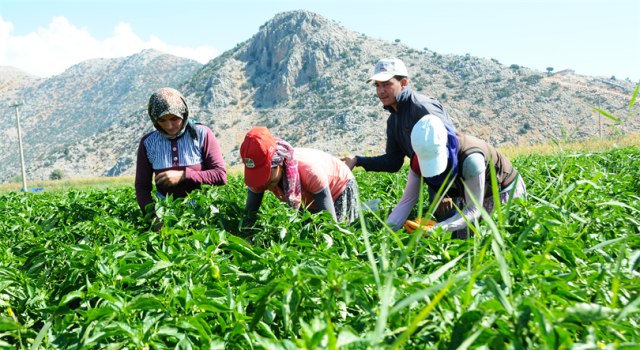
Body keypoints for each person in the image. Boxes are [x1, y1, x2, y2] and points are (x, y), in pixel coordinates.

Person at [386, 115, 526, 239]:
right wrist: (386, 234)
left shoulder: (470, 157)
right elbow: (406, 202)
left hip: (501, 192)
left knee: (496, 241)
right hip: (470, 195)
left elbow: (473, 209)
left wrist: (437, 229)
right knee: (468, 248)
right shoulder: (418, 161)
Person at [342, 57, 455, 173]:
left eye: (386, 84)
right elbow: (393, 162)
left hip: (458, 176)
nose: (380, 91)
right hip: (433, 179)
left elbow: (453, 146)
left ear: (403, 83)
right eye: (377, 85)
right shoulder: (393, 120)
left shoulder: (422, 107)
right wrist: (357, 160)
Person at [135, 88, 227, 228]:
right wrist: (154, 218)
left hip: (203, 212)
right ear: (154, 119)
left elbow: (220, 176)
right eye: (162, 120)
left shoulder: (202, 134)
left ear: (184, 115)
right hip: (166, 213)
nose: (169, 126)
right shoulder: (148, 143)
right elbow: (142, 186)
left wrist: (184, 175)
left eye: (174, 119)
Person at [241, 127, 359, 226]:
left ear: (279, 163)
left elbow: (330, 222)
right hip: (307, 198)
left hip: (338, 187)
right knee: (308, 236)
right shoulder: (259, 180)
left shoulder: (310, 171)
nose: (263, 181)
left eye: (265, 174)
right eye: (257, 175)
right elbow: (249, 215)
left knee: (336, 235)